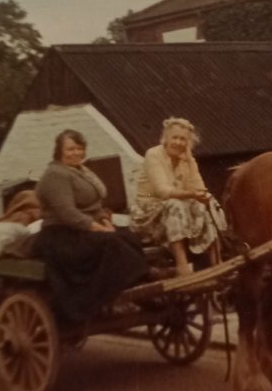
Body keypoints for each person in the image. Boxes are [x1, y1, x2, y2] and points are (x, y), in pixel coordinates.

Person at [34, 129, 149, 326]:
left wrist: (104, 220)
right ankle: (99, 300)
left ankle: (140, 279)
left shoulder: (80, 170)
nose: (76, 153)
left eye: (80, 148)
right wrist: (98, 228)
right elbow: (68, 213)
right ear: (59, 151)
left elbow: (95, 204)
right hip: (62, 235)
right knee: (112, 244)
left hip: (83, 230)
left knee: (129, 236)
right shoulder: (55, 175)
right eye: (70, 149)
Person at [131, 117, 227, 276]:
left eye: (183, 139)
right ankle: (182, 265)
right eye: (174, 137)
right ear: (165, 139)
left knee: (207, 202)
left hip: (179, 208)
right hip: (148, 208)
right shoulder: (153, 155)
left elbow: (200, 188)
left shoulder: (188, 160)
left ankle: (216, 260)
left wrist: (190, 164)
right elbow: (163, 191)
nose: (178, 142)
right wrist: (191, 194)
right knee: (174, 204)